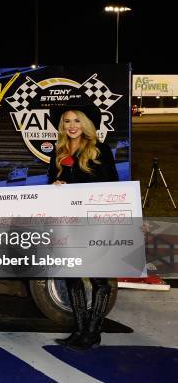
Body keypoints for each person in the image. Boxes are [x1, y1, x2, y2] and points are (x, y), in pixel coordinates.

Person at [48, 105, 118, 351]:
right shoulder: (58, 152)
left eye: (77, 120)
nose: (72, 125)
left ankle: (93, 331)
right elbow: (49, 186)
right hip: (68, 223)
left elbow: (113, 186)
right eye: (67, 121)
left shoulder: (100, 150)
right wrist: (55, 183)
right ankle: (79, 329)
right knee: (72, 276)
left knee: (99, 277)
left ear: (86, 124)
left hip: (95, 222)